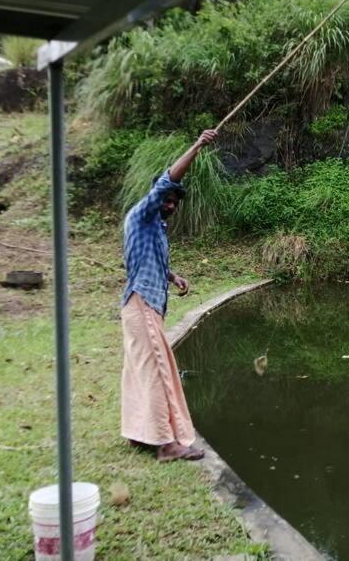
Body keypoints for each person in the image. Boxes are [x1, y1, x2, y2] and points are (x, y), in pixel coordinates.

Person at [120, 128, 218, 462]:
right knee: (159, 370)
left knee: (139, 371)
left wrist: (173, 276)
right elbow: (165, 180)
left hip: (143, 305)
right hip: (141, 304)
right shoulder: (141, 213)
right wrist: (197, 146)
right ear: (156, 197)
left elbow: (144, 261)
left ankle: (139, 433)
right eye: (168, 198)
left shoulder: (155, 229)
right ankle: (165, 444)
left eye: (176, 200)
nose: (171, 203)